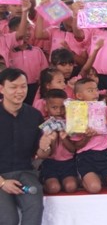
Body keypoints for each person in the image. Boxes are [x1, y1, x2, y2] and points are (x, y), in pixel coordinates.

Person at [0, 68, 53, 225]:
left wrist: (45, 147)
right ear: (1, 88)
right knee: (8, 218)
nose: (20, 91)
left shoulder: (34, 115)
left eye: (23, 86)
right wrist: (3, 183)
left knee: (35, 207)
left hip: (26, 173)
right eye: (14, 87)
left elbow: (40, 154)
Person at [40, 89, 78, 194]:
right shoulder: (44, 125)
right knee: (54, 188)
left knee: (71, 187)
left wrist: (63, 138)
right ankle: (43, 183)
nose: (59, 111)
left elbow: (73, 149)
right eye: (54, 107)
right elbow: (48, 153)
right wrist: (52, 138)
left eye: (62, 107)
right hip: (50, 163)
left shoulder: (70, 124)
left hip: (69, 163)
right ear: (46, 108)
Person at [6, 17, 48, 105]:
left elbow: (44, 73)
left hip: (35, 89)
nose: (28, 33)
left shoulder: (37, 51)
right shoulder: (7, 52)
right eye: (23, 30)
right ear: (11, 32)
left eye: (29, 29)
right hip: (14, 89)